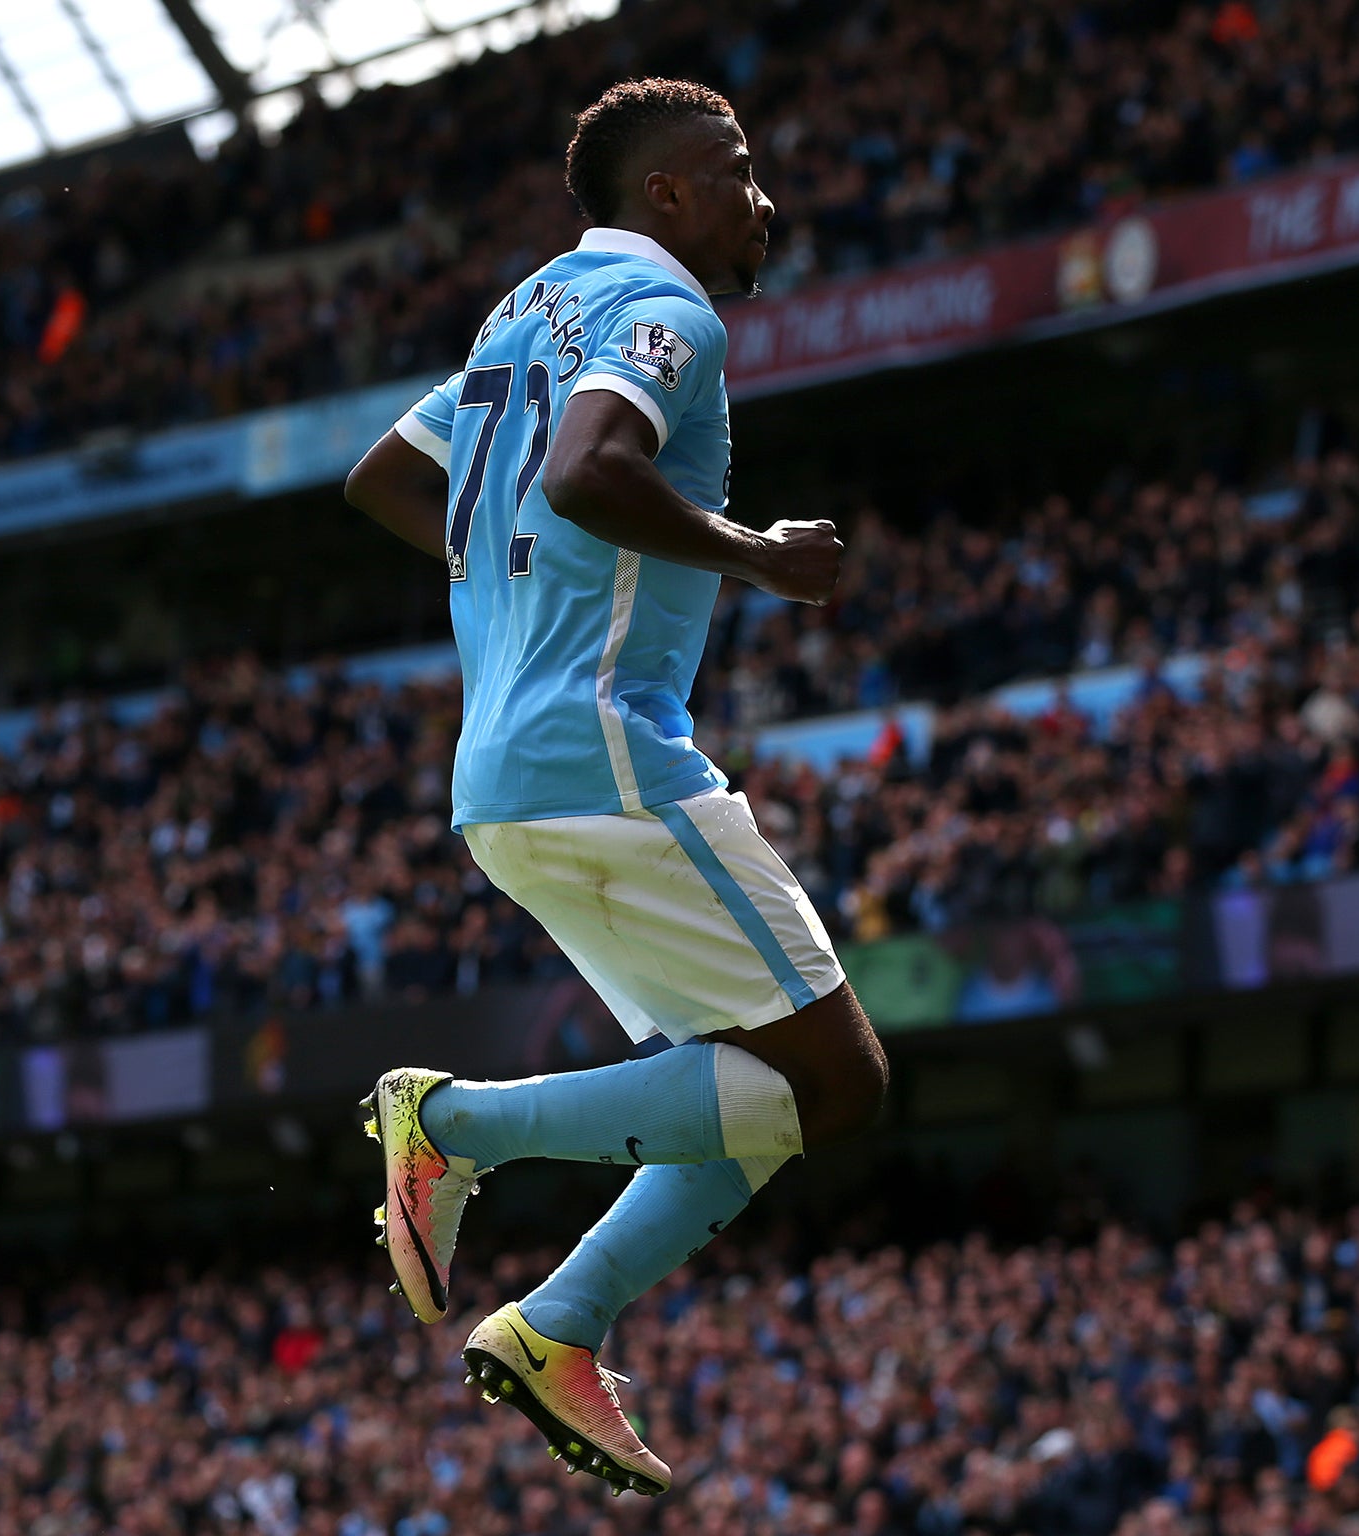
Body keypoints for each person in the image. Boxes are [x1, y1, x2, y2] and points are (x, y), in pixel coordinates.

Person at [342, 77, 888, 1497]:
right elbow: (590, 470)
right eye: (740, 171)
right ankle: (449, 1128)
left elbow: (384, 479)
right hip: (609, 754)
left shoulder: (519, 311)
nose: (762, 199)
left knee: (744, 1090)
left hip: (505, 777)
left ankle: (558, 1326)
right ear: (669, 196)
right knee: (839, 1082)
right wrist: (761, 556)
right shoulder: (673, 317)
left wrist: (509, 591)